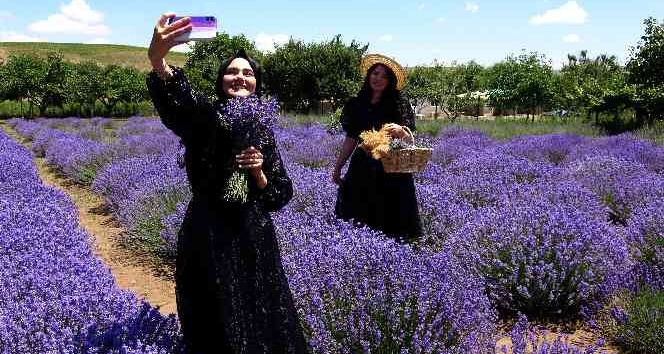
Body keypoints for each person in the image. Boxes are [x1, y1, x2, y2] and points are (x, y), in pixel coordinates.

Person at [146, 13, 308, 354]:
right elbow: (182, 104)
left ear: (257, 83)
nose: (240, 77)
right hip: (208, 233)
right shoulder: (206, 118)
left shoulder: (262, 128)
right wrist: (159, 60)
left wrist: (259, 173)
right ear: (221, 80)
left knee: (260, 315)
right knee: (212, 315)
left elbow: (280, 194)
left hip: (252, 235)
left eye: (248, 73)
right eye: (232, 71)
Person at [332, 54, 423, 242]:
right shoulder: (355, 104)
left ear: (390, 81)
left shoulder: (399, 104)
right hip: (362, 167)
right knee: (358, 214)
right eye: (375, 73)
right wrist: (339, 166)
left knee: (390, 218)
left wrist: (401, 131)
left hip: (391, 169)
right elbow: (351, 139)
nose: (378, 79)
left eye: (384, 76)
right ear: (368, 76)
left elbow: (410, 141)